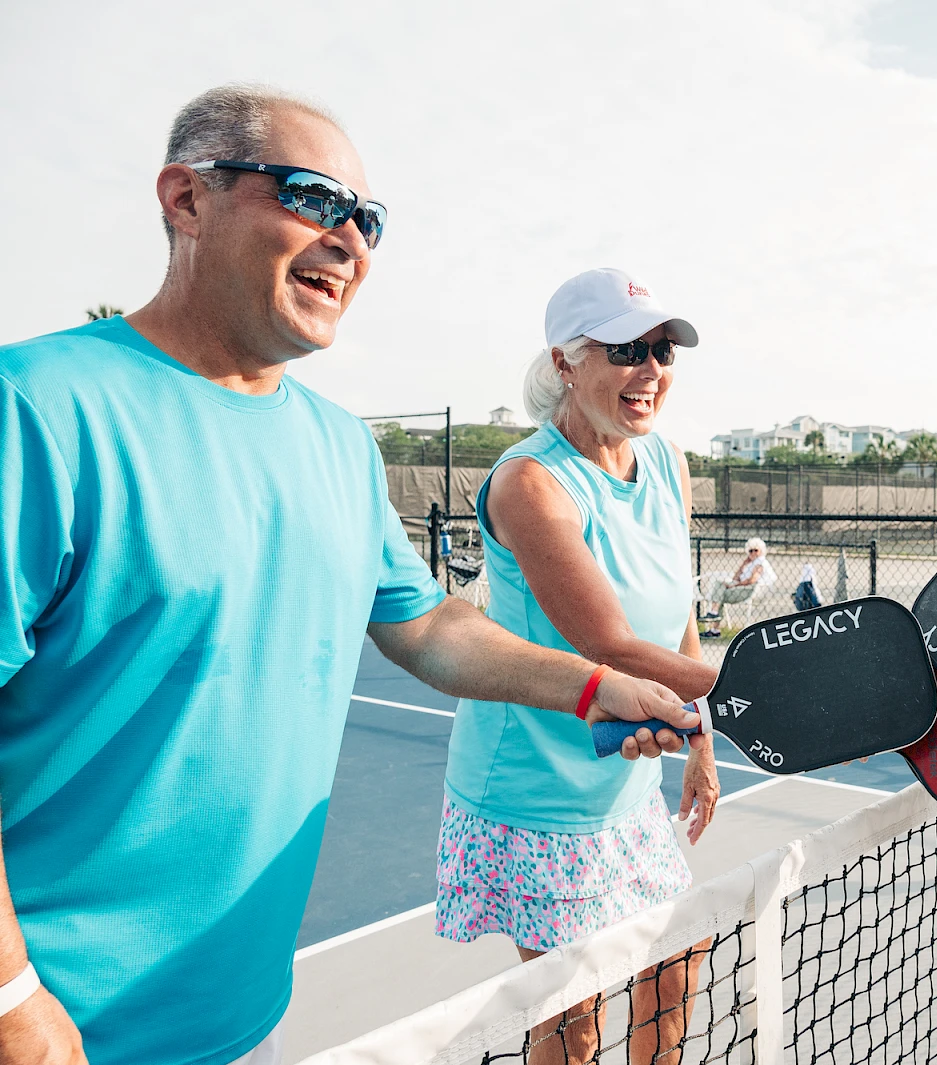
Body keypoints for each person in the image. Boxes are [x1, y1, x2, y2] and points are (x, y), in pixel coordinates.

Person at [0, 87, 698, 1065]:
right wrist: (16, 1005)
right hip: (55, 1029)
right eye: (313, 199)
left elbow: (427, 627)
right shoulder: (30, 407)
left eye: (367, 219)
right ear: (186, 199)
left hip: (245, 1017)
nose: (351, 241)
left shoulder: (337, 445)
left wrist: (591, 687)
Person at [438, 268, 720, 1064]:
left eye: (662, 350)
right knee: (575, 1015)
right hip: (535, 791)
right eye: (626, 349)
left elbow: (680, 617)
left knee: (678, 957)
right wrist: (766, 686)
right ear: (565, 362)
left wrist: (700, 744)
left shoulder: (666, 463)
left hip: (625, 785)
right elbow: (613, 645)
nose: (651, 370)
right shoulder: (532, 481)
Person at [700, 538, 774, 638]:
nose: (753, 553)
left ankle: (714, 619)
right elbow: (735, 578)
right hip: (744, 589)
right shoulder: (751, 563)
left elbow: (751, 580)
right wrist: (743, 564)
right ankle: (714, 617)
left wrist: (734, 585)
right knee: (719, 590)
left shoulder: (760, 563)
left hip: (751, 590)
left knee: (719, 593)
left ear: (761, 550)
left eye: (755, 550)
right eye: (750, 550)